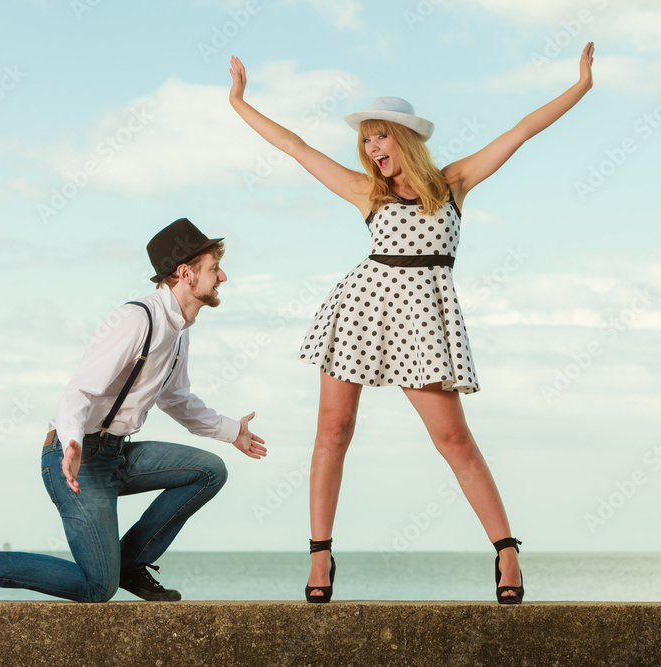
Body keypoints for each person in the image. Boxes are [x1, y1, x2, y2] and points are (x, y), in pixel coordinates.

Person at [228, 44, 594, 604]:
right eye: (367, 139)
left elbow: (521, 130)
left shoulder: (453, 184)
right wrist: (239, 102)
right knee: (333, 433)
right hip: (360, 310)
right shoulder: (363, 190)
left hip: (422, 319)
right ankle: (320, 555)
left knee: (454, 439)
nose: (373, 147)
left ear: (408, 140)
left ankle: (507, 550)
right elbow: (293, 146)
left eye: (382, 136)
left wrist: (581, 86)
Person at [0, 218, 267, 603]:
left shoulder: (179, 331)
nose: (222, 276)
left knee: (209, 471)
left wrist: (230, 430)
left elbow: (175, 398)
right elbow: (79, 391)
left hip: (115, 453)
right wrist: (72, 442)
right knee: (97, 588)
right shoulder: (137, 319)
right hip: (75, 458)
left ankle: (131, 565)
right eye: (212, 268)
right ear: (185, 273)